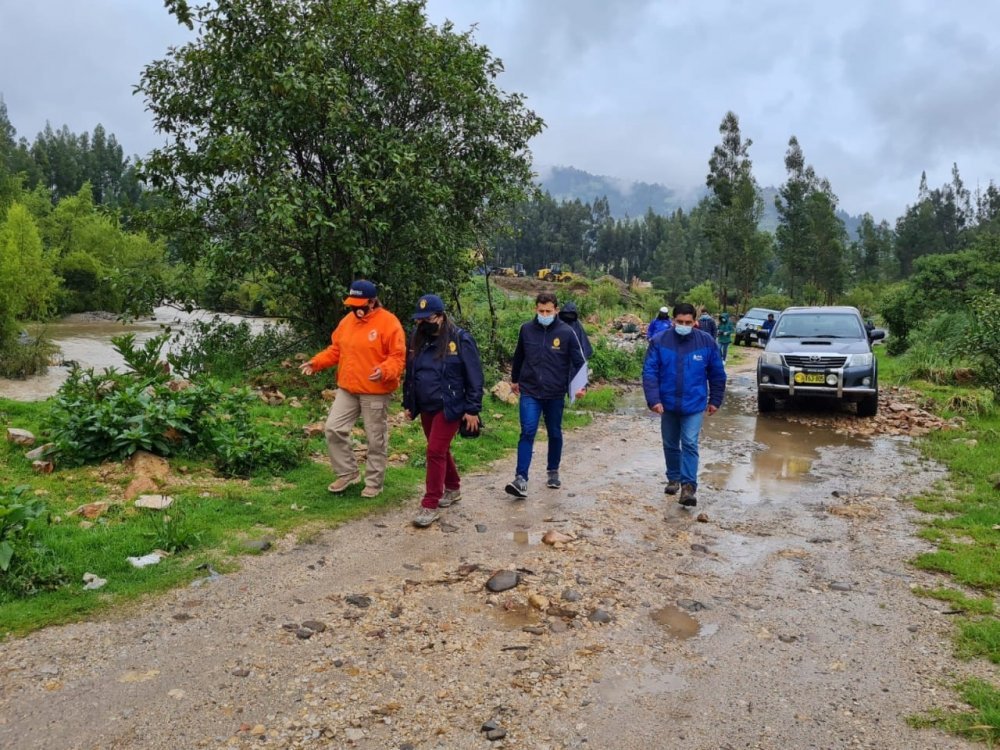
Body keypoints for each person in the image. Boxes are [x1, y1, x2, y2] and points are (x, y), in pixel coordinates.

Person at [300, 280, 406, 498]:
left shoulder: (389, 323)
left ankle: (374, 483)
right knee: (333, 428)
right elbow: (336, 350)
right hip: (348, 388)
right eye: (352, 304)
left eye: (359, 304)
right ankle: (348, 472)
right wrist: (316, 362)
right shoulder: (347, 322)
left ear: (372, 301)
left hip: (375, 390)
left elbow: (397, 357)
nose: (355, 308)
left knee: (375, 438)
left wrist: (384, 371)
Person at [402, 294, 484, 528]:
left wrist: (472, 408)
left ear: (439, 317)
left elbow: (474, 376)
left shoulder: (459, 339)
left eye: (425, 319)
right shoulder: (418, 339)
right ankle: (453, 487)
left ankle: (430, 504)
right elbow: (412, 373)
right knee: (439, 450)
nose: (420, 324)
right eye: (417, 320)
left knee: (435, 450)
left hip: (451, 405)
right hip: (426, 404)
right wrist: (409, 403)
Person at [642, 302, 727, 508]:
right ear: (672, 321)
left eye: (687, 322)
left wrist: (715, 400)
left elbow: (717, 374)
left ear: (695, 322)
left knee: (689, 442)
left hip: (694, 403)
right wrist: (654, 399)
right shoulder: (659, 341)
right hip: (667, 402)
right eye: (679, 322)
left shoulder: (706, 343)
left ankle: (688, 486)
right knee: (670, 443)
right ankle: (673, 478)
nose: (683, 325)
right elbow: (650, 372)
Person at [505, 292, 586, 498]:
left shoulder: (567, 332)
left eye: (548, 311)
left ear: (556, 310)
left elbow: (580, 362)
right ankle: (521, 478)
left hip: (555, 392)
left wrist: (582, 386)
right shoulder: (526, 330)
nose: (544, 314)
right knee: (528, 431)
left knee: (555, 432)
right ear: (535, 309)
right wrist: (514, 380)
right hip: (530, 390)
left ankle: (552, 471)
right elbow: (519, 356)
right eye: (541, 311)